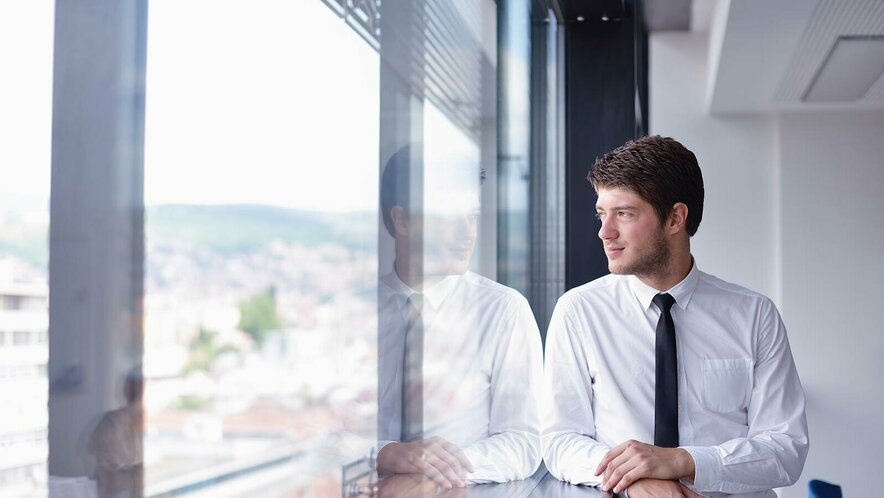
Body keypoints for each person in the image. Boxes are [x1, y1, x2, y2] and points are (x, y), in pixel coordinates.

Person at [542, 136, 808, 498]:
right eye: (602, 214)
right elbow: (560, 440)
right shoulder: (579, 311)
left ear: (675, 218)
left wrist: (682, 462)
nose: (605, 232)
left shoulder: (755, 315)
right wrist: (636, 477)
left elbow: (785, 450)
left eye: (624, 213)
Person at [375, 143, 543, 489]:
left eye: (472, 217)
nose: (467, 232)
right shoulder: (355, 312)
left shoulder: (504, 311)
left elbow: (525, 443)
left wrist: (434, 468)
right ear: (402, 220)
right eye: (450, 216)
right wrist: (387, 454)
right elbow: (321, 438)